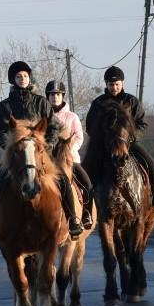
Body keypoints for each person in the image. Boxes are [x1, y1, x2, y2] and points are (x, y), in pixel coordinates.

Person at [0, 61, 85, 244]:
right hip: (17, 156)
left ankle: (73, 220)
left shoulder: (41, 102)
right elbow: (1, 132)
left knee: (64, 179)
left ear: (30, 78)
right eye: (19, 76)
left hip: (40, 154)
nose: (22, 79)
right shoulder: (5, 106)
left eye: (25, 76)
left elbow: (52, 128)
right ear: (14, 79)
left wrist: (46, 147)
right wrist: (13, 148)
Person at [85, 66, 154, 207]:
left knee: (151, 164)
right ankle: (86, 200)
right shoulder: (98, 103)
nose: (114, 87)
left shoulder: (131, 101)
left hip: (128, 143)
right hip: (105, 146)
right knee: (87, 167)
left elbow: (142, 123)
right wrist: (103, 141)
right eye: (111, 84)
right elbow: (90, 126)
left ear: (122, 83)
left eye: (117, 84)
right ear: (106, 84)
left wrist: (132, 138)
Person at [44, 80, 93, 229]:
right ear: (48, 96)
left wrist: (68, 152)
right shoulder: (43, 115)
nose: (55, 97)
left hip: (69, 160)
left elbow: (79, 137)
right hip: (48, 160)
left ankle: (86, 214)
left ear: (62, 96)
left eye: (58, 94)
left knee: (87, 184)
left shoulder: (72, 117)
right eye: (52, 94)